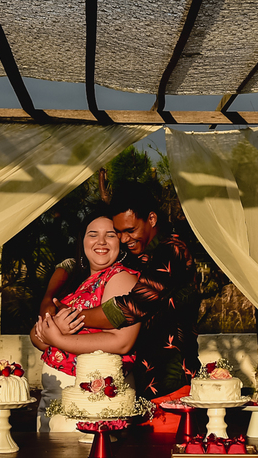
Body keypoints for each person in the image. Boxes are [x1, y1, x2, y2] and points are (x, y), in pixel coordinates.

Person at [39, 183, 200, 431]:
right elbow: (73, 262)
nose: (124, 239)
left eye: (129, 230)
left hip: (171, 383)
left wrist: (69, 319)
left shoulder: (172, 250)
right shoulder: (141, 251)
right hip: (142, 386)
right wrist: (49, 296)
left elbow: (130, 308)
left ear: (152, 219)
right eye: (120, 233)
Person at [30, 211, 140, 431]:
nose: (101, 242)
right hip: (53, 393)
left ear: (121, 242)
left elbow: (122, 342)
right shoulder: (78, 284)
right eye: (93, 234)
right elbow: (37, 336)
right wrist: (53, 332)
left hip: (93, 399)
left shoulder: (120, 277)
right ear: (83, 242)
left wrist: (59, 338)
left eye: (110, 235)